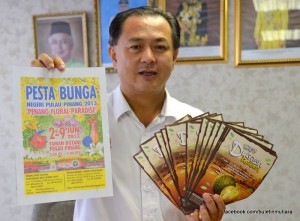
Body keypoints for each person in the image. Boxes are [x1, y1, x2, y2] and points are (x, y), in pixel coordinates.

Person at [32, 6, 225, 221]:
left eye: (160, 47)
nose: (149, 57)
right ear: (114, 55)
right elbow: (45, 169)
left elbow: (201, 202)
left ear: (174, 57)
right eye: (136, 47)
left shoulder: (198, 125)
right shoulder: (81, 117)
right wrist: (44, 96)